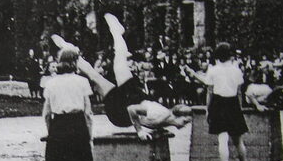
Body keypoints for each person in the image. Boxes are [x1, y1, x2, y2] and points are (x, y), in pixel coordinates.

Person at [52, 13, 192, 140]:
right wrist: (140, 131)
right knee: (110, 67)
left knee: (98, 74)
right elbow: (133, 109)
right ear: (176, 115)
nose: (184, 125)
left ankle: (70, 48)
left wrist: (157, 130)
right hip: (127, 104)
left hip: (123, 109)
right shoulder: (160, 113)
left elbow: (149, 119)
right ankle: (108, 35)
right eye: (184, 121)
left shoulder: (165, 118)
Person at [42, 47, 94, 161]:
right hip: (76, 126)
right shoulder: (82, 82)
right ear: (75, 61)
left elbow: (46, 113)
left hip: (57, 127)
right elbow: (88, 113)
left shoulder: (50, 83)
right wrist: (89, 136)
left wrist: (52, 132)